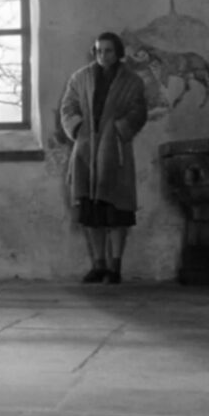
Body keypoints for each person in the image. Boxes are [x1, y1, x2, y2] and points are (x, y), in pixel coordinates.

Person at [58, 31, 148, 284]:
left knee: (116, 210)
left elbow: (139, 110)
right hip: (86, 150)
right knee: (91, 212)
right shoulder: (80, 78)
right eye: (98, 50)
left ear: (118, 53)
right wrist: (78, 128)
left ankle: (115, 267)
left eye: (108, 51)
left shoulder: (132, 81)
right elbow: (68, 107)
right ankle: (98, 265)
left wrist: (119, 130)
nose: (103, 55)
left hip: (114, 151)